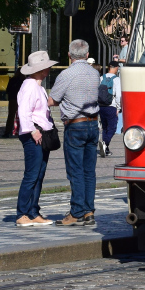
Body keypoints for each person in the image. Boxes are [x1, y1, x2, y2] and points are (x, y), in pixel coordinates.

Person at [48, 39, 100, 227]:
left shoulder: (66, 74)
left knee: (75, 170)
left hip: (75, 124)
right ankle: (89, 211)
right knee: (89, 171)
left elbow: (53, 100)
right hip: (93, 124)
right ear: (87, 55)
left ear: (69, 55)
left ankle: (77, 211)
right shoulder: (95, 73)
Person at [14, 50, 56, 227]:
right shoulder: (30, 86)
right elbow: (24, 111)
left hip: (41, 133)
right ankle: (22, 213)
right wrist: (32, 130)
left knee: (38, 174)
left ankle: (33, 211)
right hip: (34, 134)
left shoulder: (37, 86)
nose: (49, 69)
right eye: (46, 67)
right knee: (32, 175)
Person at [99, 61, 120, 157]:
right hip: (111, 106)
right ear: (116, 68)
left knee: (105, 128)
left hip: (101, 106)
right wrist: (118, 107)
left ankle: (106, 149)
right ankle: (105, 143)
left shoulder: (101, 78)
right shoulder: (117, 79)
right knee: (112, 128)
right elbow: (118, 95)